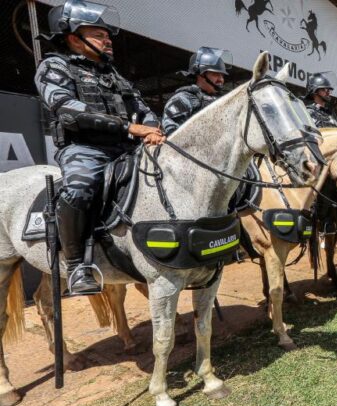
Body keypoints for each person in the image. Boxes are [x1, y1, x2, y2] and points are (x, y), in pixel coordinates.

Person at [36, 0, 164, 295]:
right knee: (80, 187)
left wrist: (154, 129)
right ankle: (77, 266)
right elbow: (67, 110)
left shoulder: (115, 75)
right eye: (99, 35)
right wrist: (128, 127)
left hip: (126, 149)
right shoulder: (55, 66)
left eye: (108, 36)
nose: (108, 41)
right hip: (85, 149)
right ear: (72, 38)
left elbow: (142, 109)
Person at [162, 47, 231, 135]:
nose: (221, 79)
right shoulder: (183, 99)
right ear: (201, 75)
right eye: (215, 74)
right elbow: (172, 136)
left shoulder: (222, 99)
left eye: (222, 75)